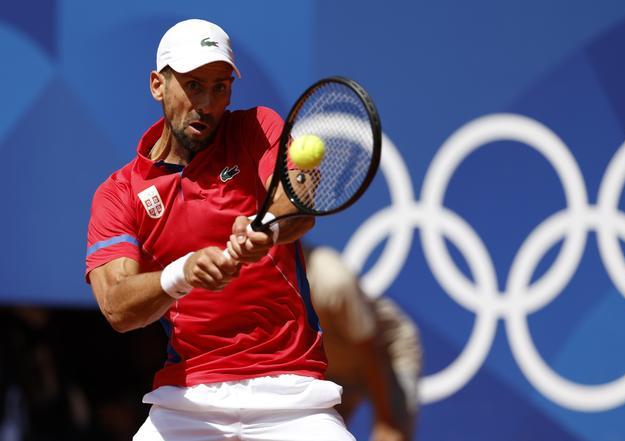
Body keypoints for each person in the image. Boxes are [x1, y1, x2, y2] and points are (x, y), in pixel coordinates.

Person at [85, 19, 354, 441]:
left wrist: (268, 228)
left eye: (220, 87)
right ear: (158, 85)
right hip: (186, 402)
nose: (208, 104)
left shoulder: (255, 129)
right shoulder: (119, 194)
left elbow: (294, 206)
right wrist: (183, 273)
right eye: (193, 86)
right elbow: (118, 308)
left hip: (292, 397)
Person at [304, 246, 422, 441]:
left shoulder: (333, 280)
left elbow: (370, 352)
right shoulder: (266, 276)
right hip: (333, 367)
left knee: (391, 435)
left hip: (386, 355)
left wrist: (385, 419)